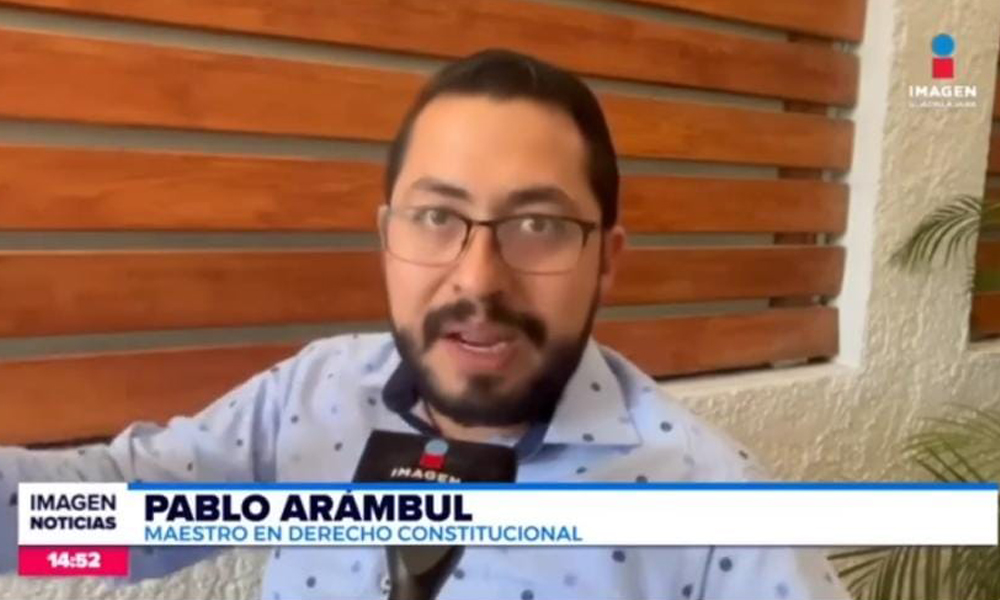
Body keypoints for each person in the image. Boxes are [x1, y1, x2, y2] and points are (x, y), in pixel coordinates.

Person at [0, 49, 850, 600]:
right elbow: (108, 524)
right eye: (437, 218)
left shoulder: (719, 510)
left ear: (607, 259)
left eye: (539, 225)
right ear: (387, 238)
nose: (477, 279)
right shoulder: (312, 396)